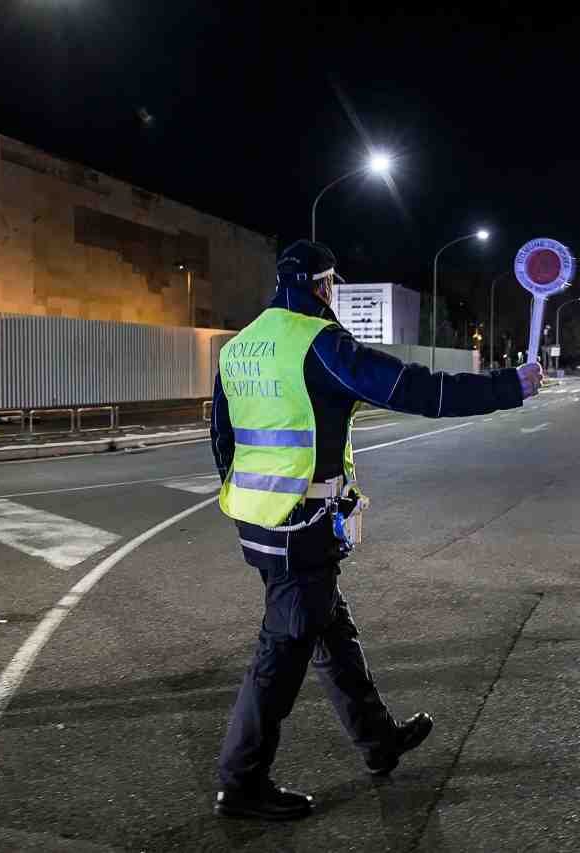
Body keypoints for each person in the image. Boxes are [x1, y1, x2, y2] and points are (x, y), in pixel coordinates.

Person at [210, 240, 543, 820]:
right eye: (332, 284)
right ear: (323, 284)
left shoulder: (239, 347)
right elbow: (414, 388)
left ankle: (378, 741)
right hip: (301, 525)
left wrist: (253, 501)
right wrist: (508, 387)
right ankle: (241, 782)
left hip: (259, 520)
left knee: (332, 633)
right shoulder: (319, 343)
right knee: (280, 657)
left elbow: (221, 437)